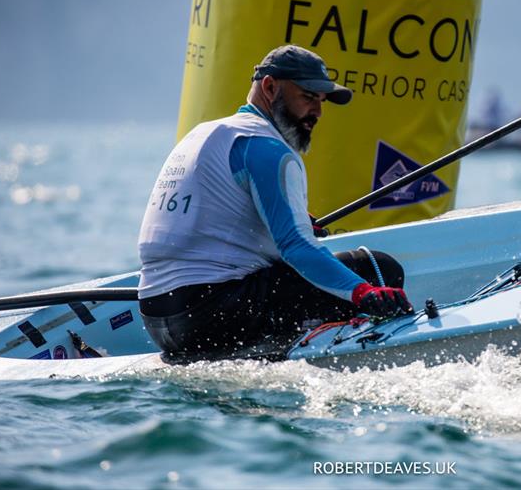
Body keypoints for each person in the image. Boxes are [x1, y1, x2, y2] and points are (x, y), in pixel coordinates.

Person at [137, 45, 412, 362]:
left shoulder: (204, 133)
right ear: (270, 87)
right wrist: (364, 293)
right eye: (308, 98)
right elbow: (296, 247)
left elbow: (215, 216)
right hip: (211, 317)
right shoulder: (267, 148)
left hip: (157, 318)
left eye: (321, 103)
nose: (318, 113)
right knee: (378, 268)